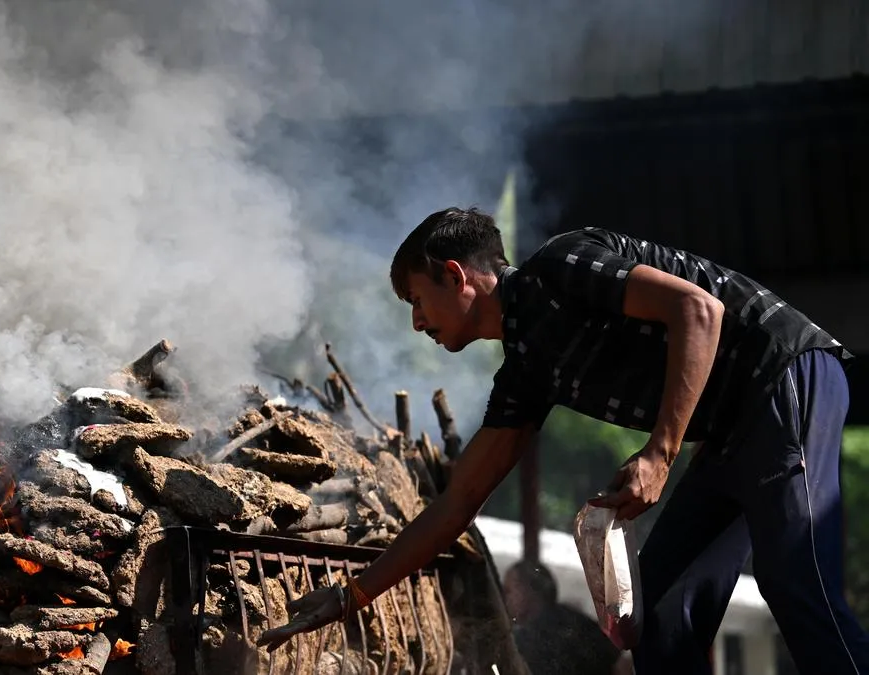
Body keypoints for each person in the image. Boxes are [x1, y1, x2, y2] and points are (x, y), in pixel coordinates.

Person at [258, 207, 869, 674]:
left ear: (455, 276)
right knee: (663, 614)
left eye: (418, 301)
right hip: (732, 431)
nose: (418, 322)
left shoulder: (562, 265)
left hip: (785, 374)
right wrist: (353, 593)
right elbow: (454, 506)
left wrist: (659, 455)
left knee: (798, 580)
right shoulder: (525, 372)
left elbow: (699, 312)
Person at [502, 560, 626, 675]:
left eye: (509, 590)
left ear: (529, 590)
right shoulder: (577, 620)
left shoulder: (526, 640)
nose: (504, 597)